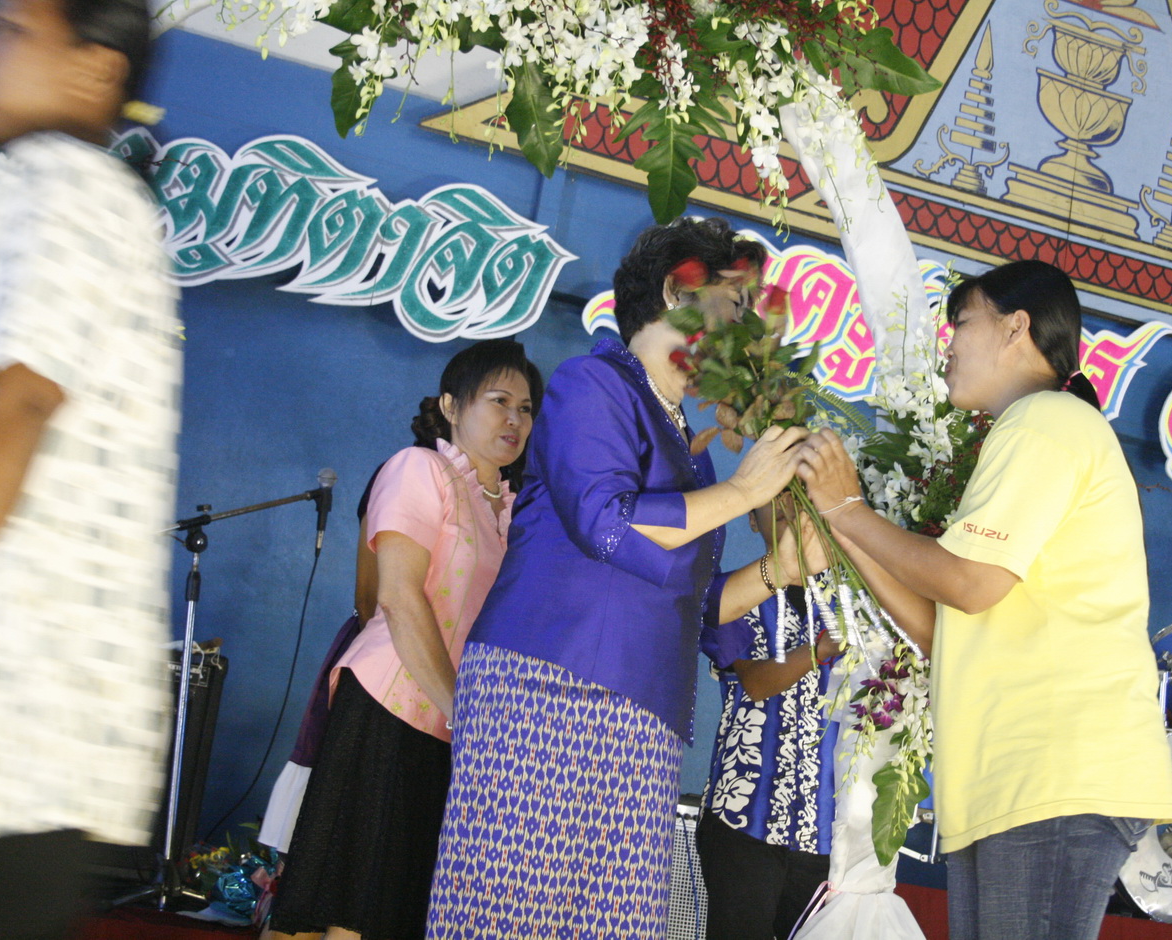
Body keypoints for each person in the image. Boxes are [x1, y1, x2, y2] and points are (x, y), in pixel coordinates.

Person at [426, 217, 815, 939]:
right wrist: (741, 492)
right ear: (675, 291)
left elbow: (695, 609)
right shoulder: (592, 383)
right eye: (733, 306)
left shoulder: (691, 447)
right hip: (548, 688)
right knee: (511, 910)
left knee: (611, 921)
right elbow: (605, 520)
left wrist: (781, 568)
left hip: (642, 713)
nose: (743, 332)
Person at [796, 259, 1172, 940]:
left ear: (1015, 327)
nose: (947, 346)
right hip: (1014, 782)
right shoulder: (1031, 429)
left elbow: (967, 585)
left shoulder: (1046, 420)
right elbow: (941, 630)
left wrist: (851, 510)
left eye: (961, 324)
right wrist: (840, 521)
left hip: (1053, 773)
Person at [0, 0, 179, 936]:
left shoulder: (64, 185)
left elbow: (15, 407)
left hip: (19, 712)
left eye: (10, 31)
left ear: (93, 69)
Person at [269, 339, 542, 940]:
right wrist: (462, 711)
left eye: (525, 409)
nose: (514, 420)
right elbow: (393, 596)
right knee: (337, 912)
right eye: (498, 401)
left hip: (452, 730)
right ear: (450, 405)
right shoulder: (420, 469)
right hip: (390, 710)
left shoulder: (513, 510)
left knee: (390, 913)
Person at [697, 497, 842, 940]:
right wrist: (819, 650)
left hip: (826, 832)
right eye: (773, 496)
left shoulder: (853, 599)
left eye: (800, 496)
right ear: (751, 519)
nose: (787, 506)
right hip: (743, 821)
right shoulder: (729, 595)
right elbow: (757, 683)